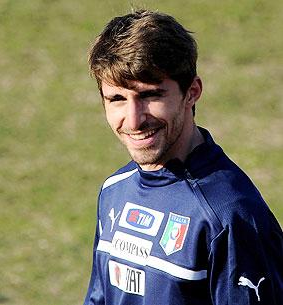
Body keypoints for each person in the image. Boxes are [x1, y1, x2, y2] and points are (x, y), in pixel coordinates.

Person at [83, 9, 283, 305]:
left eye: (151, 95)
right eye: (117, 99)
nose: (134, 120)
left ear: (192, 92)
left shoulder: (229, 216)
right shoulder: (115, 190)